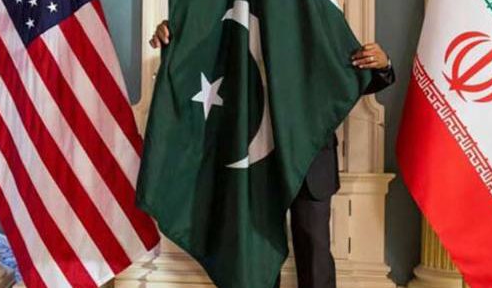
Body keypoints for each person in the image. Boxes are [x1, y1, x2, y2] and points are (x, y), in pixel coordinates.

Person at [150, 20, 395, 288]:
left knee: (315, 255)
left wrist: (384, 65)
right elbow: (203, 57)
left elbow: (351, 75)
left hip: (311, 160)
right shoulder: (244, 16)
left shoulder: (316, 18)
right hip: (258, 160)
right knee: (260, 259)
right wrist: (176, 34)